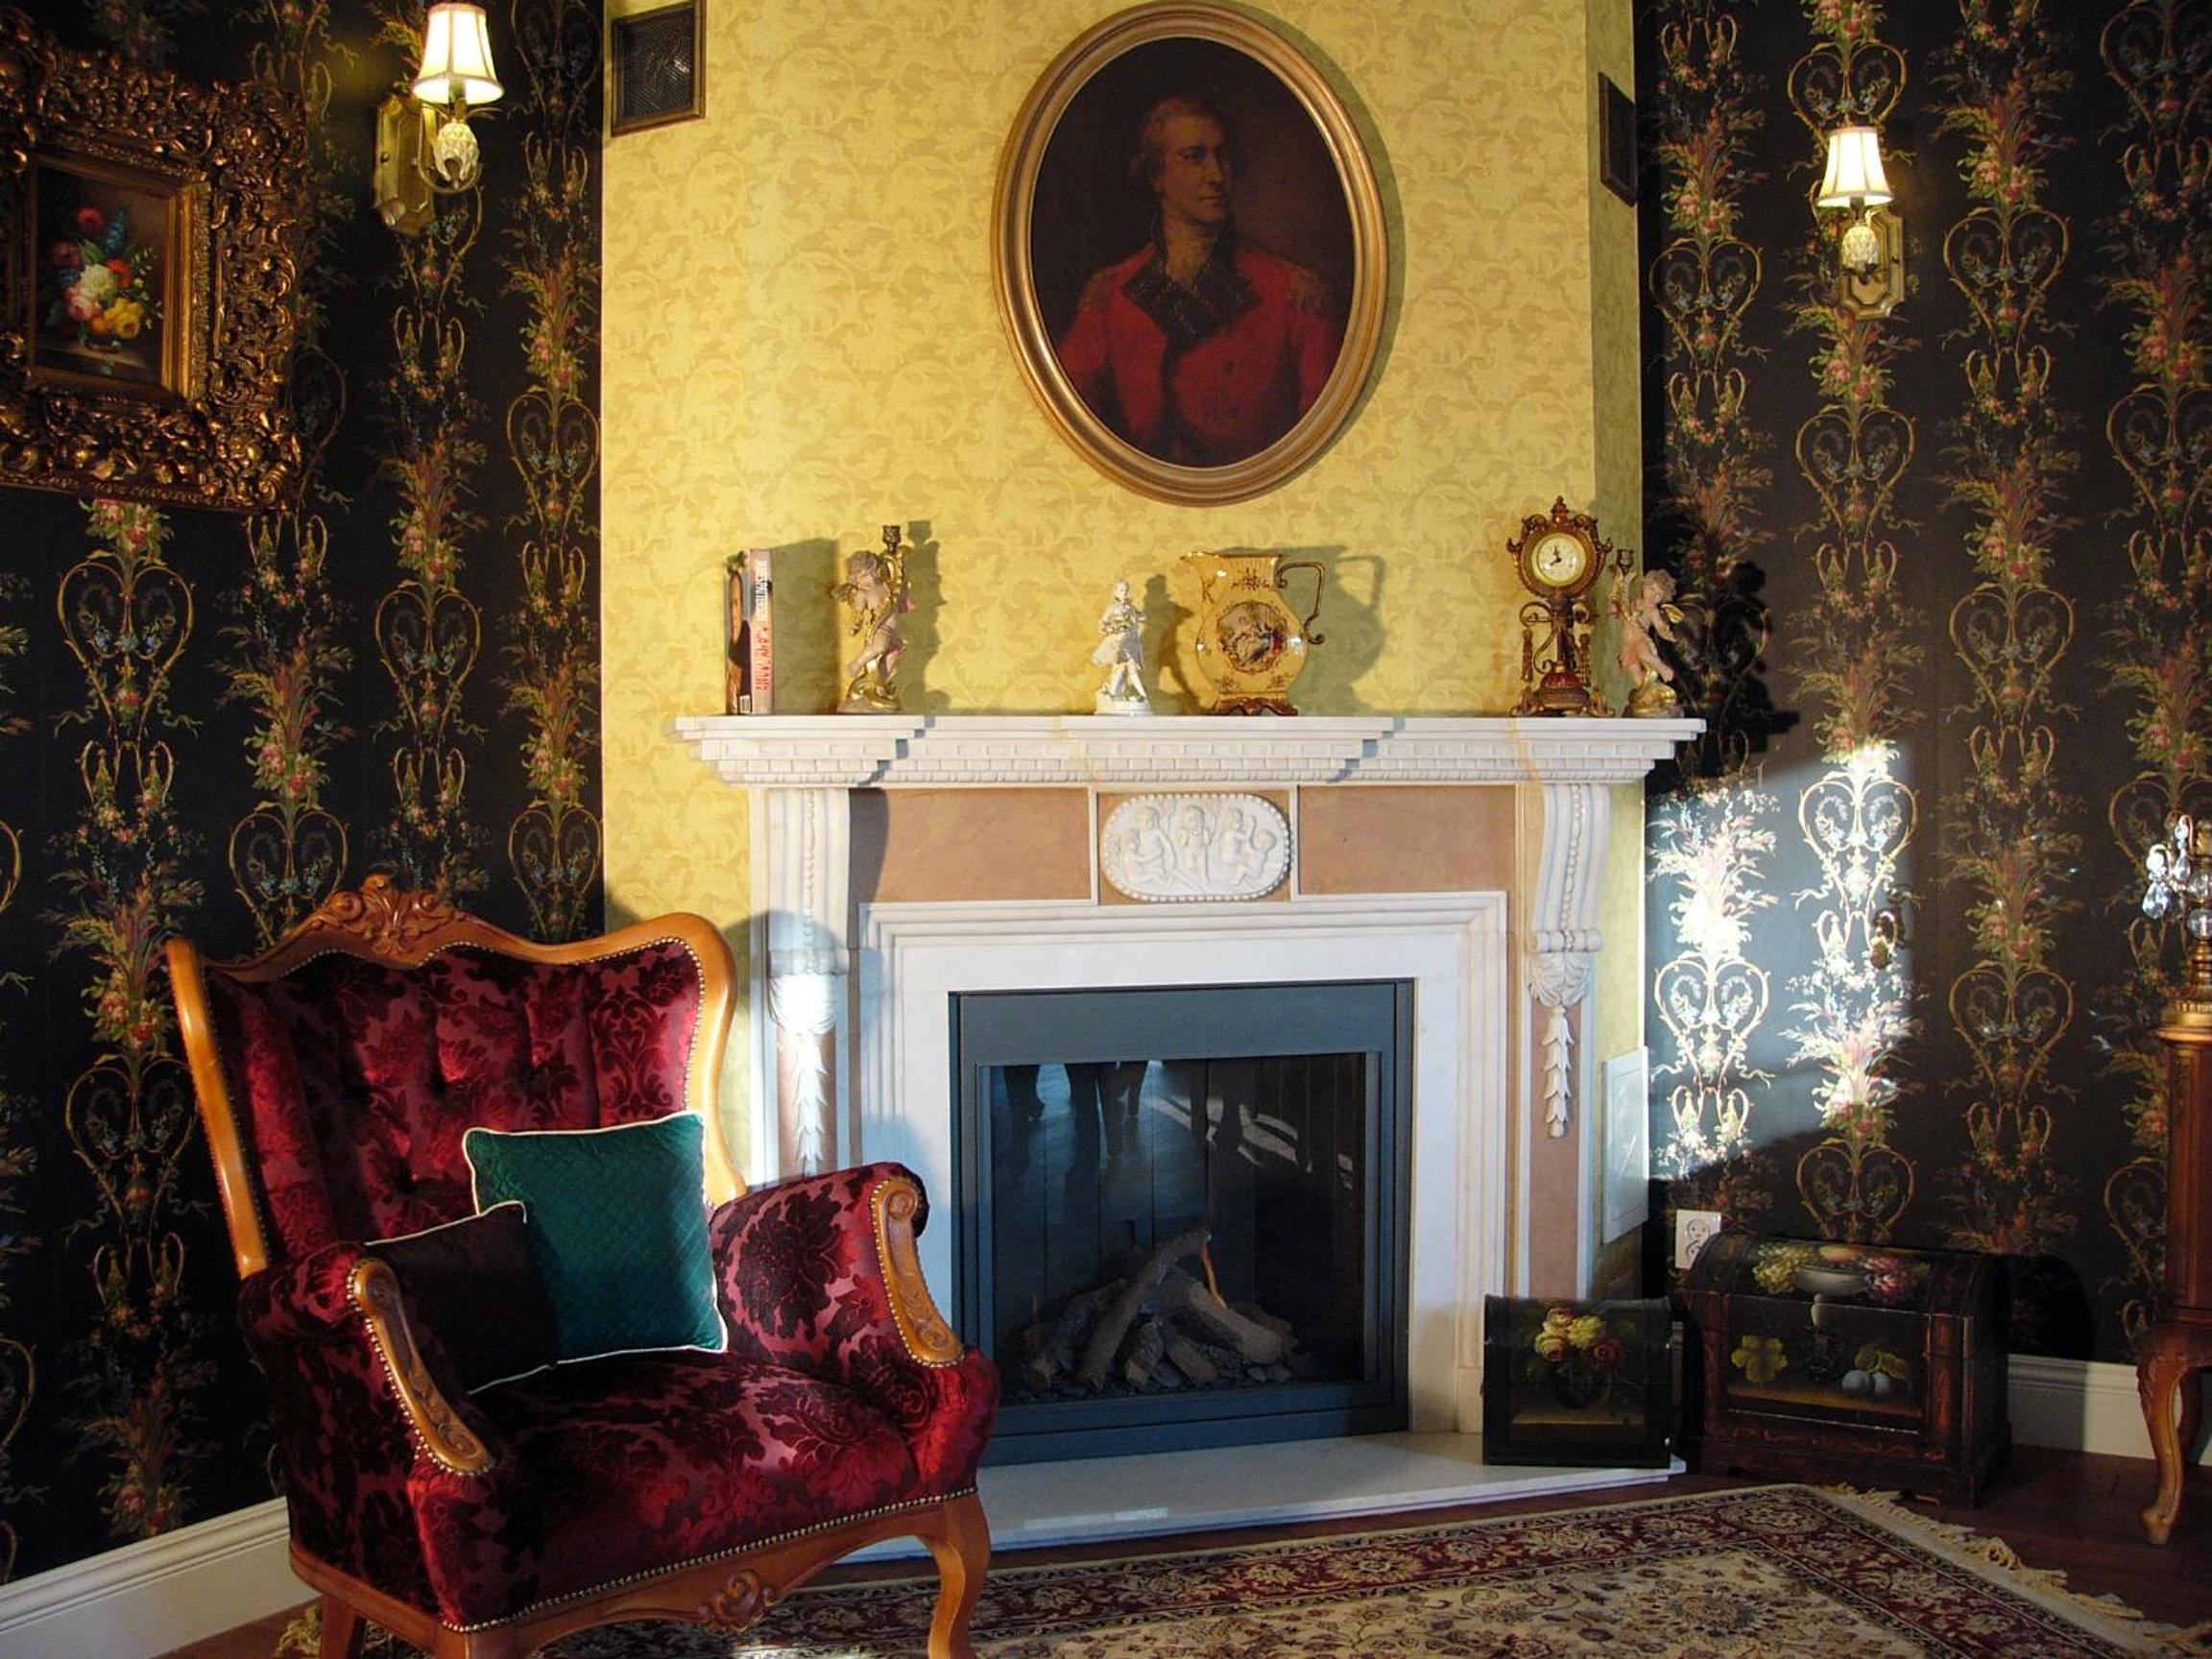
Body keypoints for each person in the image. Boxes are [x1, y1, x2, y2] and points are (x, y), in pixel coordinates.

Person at [1055, 96, 1343, 466]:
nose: (1217, 175)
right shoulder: (1111, 294)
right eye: (1194, 157)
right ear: (1157, 176)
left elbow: (1326, 441)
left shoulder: (1295, 294)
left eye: (1223, 157)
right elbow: (1067, 419)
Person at [1090, 576, 1149, 710]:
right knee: (1126, 666)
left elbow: (1142, 616)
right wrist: (1112, 628)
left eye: (1126, 590)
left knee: (1122, 667)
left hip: (1130, 640)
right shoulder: (1112, 608)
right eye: (1121, 590)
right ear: (1115, 592)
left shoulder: (1130, 606)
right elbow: (1103, 623)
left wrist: (1136, 616)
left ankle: (1113, 693)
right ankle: (1140, 695)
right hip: (1120, 641)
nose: (1124, 593)